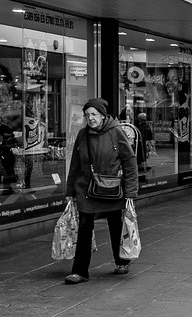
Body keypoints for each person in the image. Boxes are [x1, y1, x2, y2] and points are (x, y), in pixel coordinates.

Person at [63, 98, 139, 284]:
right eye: (87, 115)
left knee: (115, 223)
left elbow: (130, 163)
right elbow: (75, 165)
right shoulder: (82, 135)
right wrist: (70, 191)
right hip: (86, 189)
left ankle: (122, 261)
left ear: (103, 116)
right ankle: (79, 272)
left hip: (111, 187)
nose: (90, 118)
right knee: (84, 226)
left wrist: (130, 193)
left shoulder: (116, 132)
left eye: (94, 114)